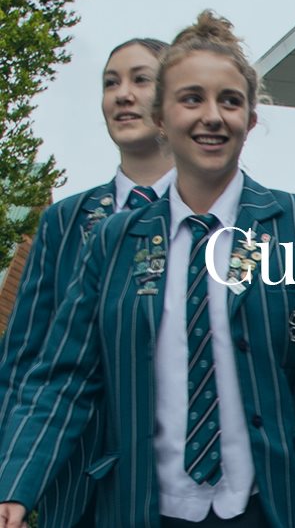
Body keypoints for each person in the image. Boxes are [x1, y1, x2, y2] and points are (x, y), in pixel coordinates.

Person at [0, 11, 295, 527]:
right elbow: (64, 378)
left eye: (230, 101)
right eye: (192, 99)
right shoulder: (114, 239)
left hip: (264, 508)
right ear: (161, 118)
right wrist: (16, 485)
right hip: (144, 507)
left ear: (251, 119)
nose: (212, 116)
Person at [0, 36, 175, 528]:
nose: (122, 94)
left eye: (140, 79)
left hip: (191, 484)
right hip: (80, 488)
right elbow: (23, 362)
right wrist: (12, 479)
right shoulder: (64, 222)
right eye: (110, 83)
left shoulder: (209, 219)